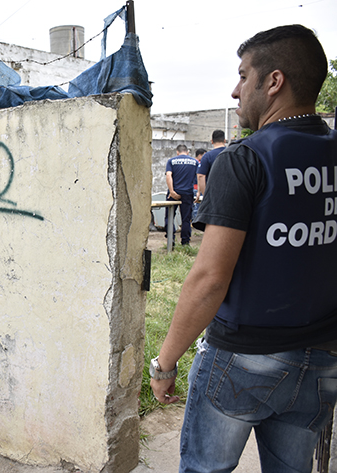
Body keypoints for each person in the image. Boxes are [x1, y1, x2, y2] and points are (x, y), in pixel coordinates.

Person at [150, 25, 337, 473]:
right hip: (321, 360)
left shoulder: (246, 158)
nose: (235, 91)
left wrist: (165, 362)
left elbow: (210, 277)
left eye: (242, 75)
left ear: (273, 82)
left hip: (244, 358)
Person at [165, 144, 199, 245]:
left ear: (177, 152)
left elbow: (168, 175)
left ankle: (171, 240)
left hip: (174, 192)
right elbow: (200, 176)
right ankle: (185, 242)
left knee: (169, 217)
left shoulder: (171, 161)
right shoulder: (195, 162)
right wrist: (198, 192)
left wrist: (172, 191)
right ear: (187, 152)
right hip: (188, 193)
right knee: (186, 219)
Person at [196, 130, 226, 198]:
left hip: (213, 194)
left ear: (212, 141)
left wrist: (205, 195)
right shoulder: (232, 154)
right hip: (229, 193)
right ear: (224, 140)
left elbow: (201, 176)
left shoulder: (207, 156)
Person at [192, 148, 206, 221]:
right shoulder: (198, 164)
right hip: (197, 187)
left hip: (192, 187)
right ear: (200, 155)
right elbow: (200, 176)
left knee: (193, 206)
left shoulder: (192, 162)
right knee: (197, 206)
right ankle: (195, 220)